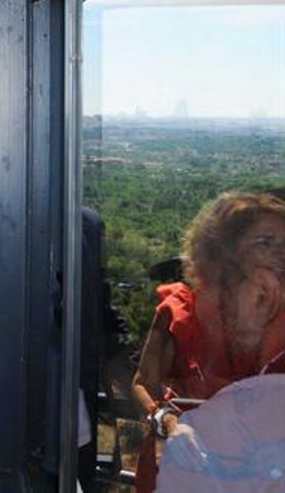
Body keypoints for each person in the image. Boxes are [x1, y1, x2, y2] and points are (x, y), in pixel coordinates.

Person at [132, 192, 285, 492]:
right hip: (183, 469)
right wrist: (166, 422)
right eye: (265, 242)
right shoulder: (180, 313)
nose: (280, 254)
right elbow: (142, 384)